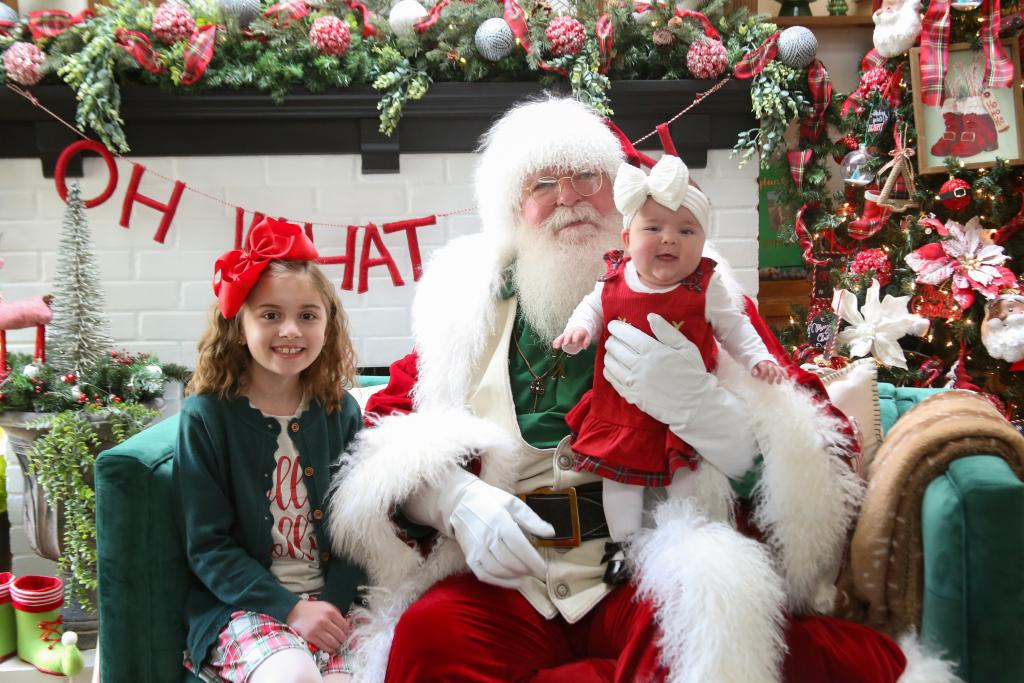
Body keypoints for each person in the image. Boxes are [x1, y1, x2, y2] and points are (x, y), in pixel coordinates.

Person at [329, 96, 955, 682]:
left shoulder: (707, 292)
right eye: (542, 185)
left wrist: (706, 413)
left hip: (647, 555)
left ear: (621, 190)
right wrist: (452, 498)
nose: (568, 198)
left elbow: (810, 444)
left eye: (585, 177)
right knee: (430, 639)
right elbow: (390, 428)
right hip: (507, 573)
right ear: (512, 210)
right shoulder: (461, 308)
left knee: (702, 619)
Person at [553, 155, 785, 583]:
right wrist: (579, 331)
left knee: (684, 482)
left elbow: (736, 327)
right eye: (653, 228)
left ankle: (684, 542)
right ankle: (623, 547)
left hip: (683, 413)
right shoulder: (613, 279)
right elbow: (591, 309)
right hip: (620, 411)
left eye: (686, 230)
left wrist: (759, 359)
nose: (669, 240)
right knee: (619, 485)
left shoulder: (705, 287)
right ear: (627, 238)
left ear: (702, 242)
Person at [174, 218, 366, 683]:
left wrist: (329, 605)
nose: (291, 330)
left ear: (328, 325)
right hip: (246, 606)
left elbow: (360, 527)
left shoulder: (340, 412)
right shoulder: (206, 417)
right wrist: (291, 609)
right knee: (293, 676)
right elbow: (208, 547)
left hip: (336, 601)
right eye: (270, 314)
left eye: (307, 315)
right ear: (239, 327)